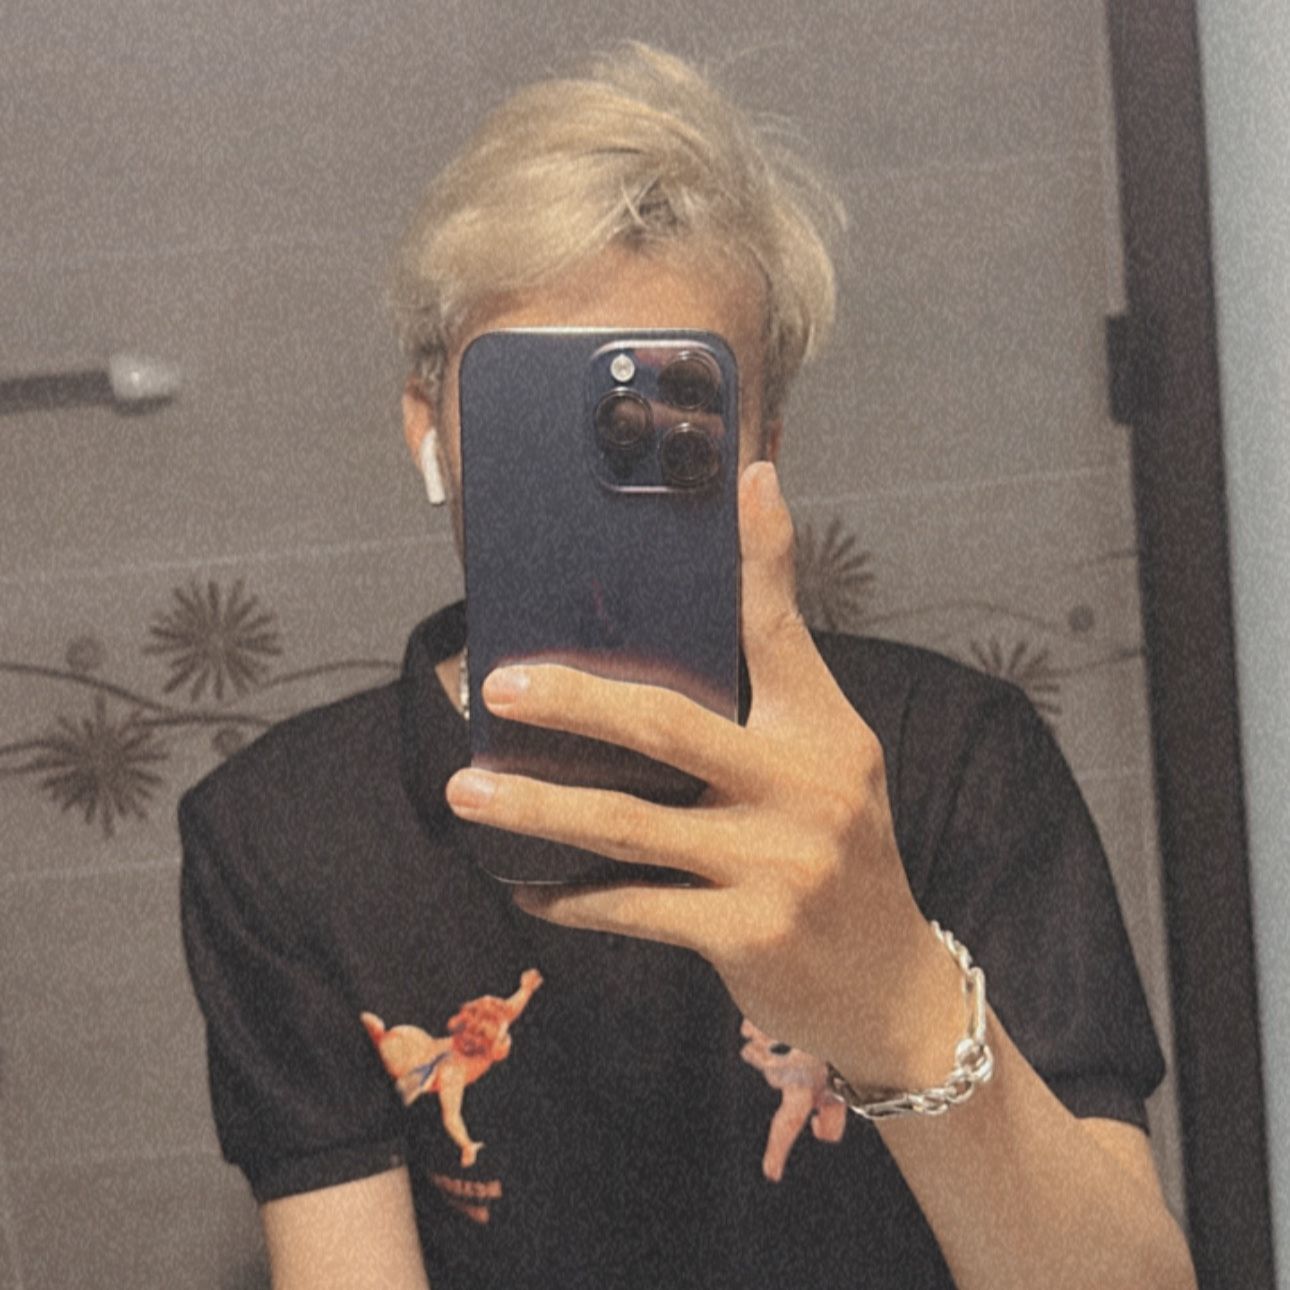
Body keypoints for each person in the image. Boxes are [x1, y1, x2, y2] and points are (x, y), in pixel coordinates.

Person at [180, 42, 1198, 1290]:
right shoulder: (286, 835)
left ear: (763, 447)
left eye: (663, 415)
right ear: (429, 429)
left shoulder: (946, 762)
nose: (597, 471)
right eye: (532, 412)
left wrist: (897, 996)